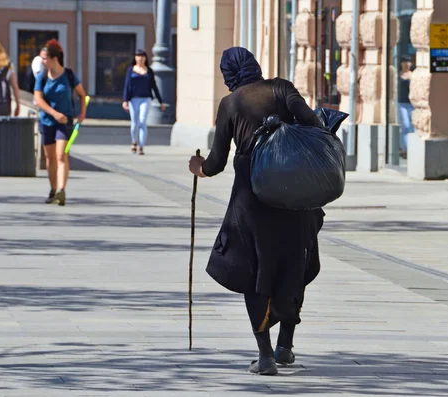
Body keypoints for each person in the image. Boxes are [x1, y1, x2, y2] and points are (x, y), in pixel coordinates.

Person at [188, 47, 326, 376]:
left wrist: (199, 168)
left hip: (253, 202)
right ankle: (285, 347)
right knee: (294, 265)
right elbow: (314, 123)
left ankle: (265, 355)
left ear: (230, 75)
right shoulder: (282, 88)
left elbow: (217, 162)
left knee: (256, 271)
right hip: (294, 198)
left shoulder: (231, 104)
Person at [34, 39, 87, 206]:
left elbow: (82, 94)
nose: (41, 61)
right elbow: (38, 99)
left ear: (54, 58)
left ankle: (61, 191)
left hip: (65, 122)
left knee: (61, 155)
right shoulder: (42, 77)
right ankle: (53, 188)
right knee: (50, 158)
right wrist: (54, 113)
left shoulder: (68, 75)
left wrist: (82, 113)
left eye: (44, 58)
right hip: (47, 120)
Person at [122, 49, 166, 155]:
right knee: (134, 123)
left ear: (145, 58)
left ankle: (141, 146)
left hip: (145, 99)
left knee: (142, 121)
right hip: (133, 99)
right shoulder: (131, 70)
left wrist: (161, 101)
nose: (140, 58)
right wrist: (125, 100)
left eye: (142, 56)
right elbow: (127, 85)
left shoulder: (149, 70)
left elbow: (154, 86)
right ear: (135, 58)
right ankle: (134, 142)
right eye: (138, 56)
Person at [398, 56, 415, 159]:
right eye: (405, 62)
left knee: (412, 126)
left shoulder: (413, 75)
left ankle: (411, 148)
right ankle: (405, 149)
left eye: (409, 62)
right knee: (405, 125)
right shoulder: (398, 75)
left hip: (412, 103)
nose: (407, 64)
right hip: (401, 103)